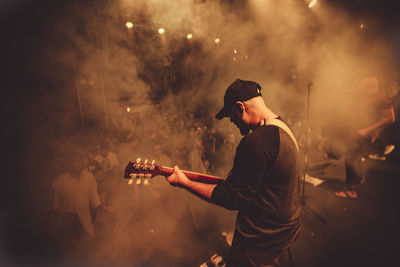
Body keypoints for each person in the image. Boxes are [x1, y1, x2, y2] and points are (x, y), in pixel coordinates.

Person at [166, 79, 301, 266]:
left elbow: (234, 198)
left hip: (261, 239)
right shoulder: (282, 126)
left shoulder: (256, 142)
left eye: (231, 115)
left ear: (240, 107)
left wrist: (184, 182)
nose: (231, 122)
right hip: (286, 227)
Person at [335, 77, 395, 199]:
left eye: (362, 86)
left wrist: (368, 130)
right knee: (353, 158)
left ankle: (351, 190)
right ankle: (356, 182)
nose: (360, 88)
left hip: (364, 133)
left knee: (352, 160)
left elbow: (391, 119)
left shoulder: (381, 98)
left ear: (370, 86)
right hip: (358, 132)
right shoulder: (367, 96)